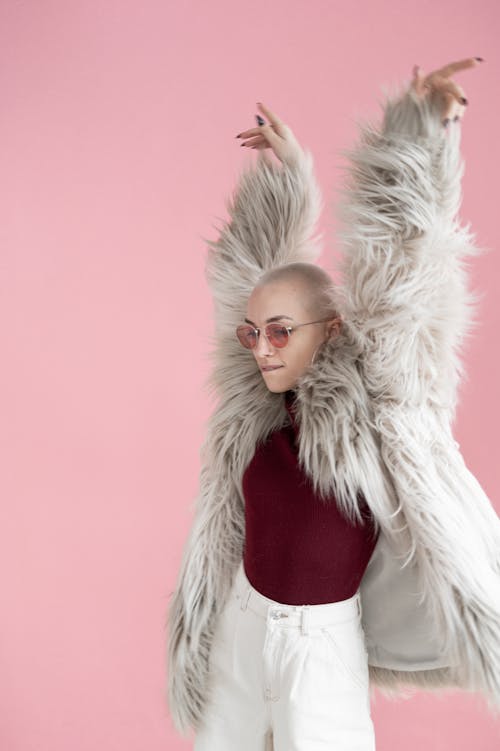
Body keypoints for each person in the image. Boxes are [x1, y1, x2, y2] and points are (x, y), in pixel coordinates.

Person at [165, 58, 500, 749]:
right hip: (242, 625)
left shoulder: (381, 403)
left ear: (334, 328)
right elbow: (254, 274)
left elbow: (403, 268)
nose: (262, 348)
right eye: (252, 333)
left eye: (282, 332)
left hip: (321, 646)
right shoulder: (254, 404)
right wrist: (286, 179)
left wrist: (419, 134)